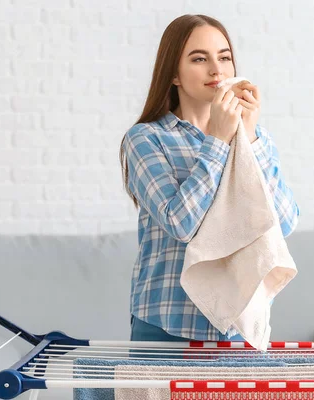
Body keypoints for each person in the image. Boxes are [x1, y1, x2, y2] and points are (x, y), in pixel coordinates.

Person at [119, 14, 299, 344]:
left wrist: (249, 137)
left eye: (225, 57)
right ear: (173, 74)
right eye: (200, 59)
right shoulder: (146, 139)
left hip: (237, 329)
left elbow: (283, 223)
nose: (217, 70)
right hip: (167, 324)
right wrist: (217, 138)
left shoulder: (256, 138)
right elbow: (181, 223)